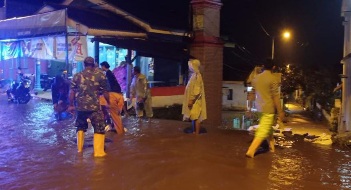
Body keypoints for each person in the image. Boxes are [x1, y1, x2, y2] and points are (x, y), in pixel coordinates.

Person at [67, 56, 109, 157]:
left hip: (80, 108)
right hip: (94, 108)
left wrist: (71, 105)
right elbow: (105, 92)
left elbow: (71, 92)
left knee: (80, 126)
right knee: (99, 127)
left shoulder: (77, 76)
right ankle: (98, 152)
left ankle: (79, 150)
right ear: (93, 64)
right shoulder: (100, 75)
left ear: (84, 64)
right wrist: (108, 103)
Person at [245, 58, 285, 158]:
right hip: (268, 108)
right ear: (273, 67)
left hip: (259, 107)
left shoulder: (256, 78)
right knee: (263, 130)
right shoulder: (273, 79)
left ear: (263, 66)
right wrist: (280, 111)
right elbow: (276, 97)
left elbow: (251, 94)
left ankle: (272, 148)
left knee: (268, 129)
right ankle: (251, 150)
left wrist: (249, 109)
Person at [182, 58, 207, 135]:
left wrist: (191, 100)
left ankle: (197, 133)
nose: (189, 67)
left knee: (196, 117)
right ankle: (194, 131)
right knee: (193, 116)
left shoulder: (197, 76)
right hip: (193, 101)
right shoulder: (194, 75)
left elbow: (197, 91)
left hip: (195, 101)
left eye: (191, 66)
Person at [100, 61, 125, 134]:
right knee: (116, 115)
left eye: (102, 66)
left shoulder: (108, 73)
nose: (101, 68)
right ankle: (115, 128)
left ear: (104, 66)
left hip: (112, 95)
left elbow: (109, 85)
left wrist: (108, 98)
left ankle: (120, 133)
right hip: (117, 95)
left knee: (114, 115)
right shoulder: (109, 73)